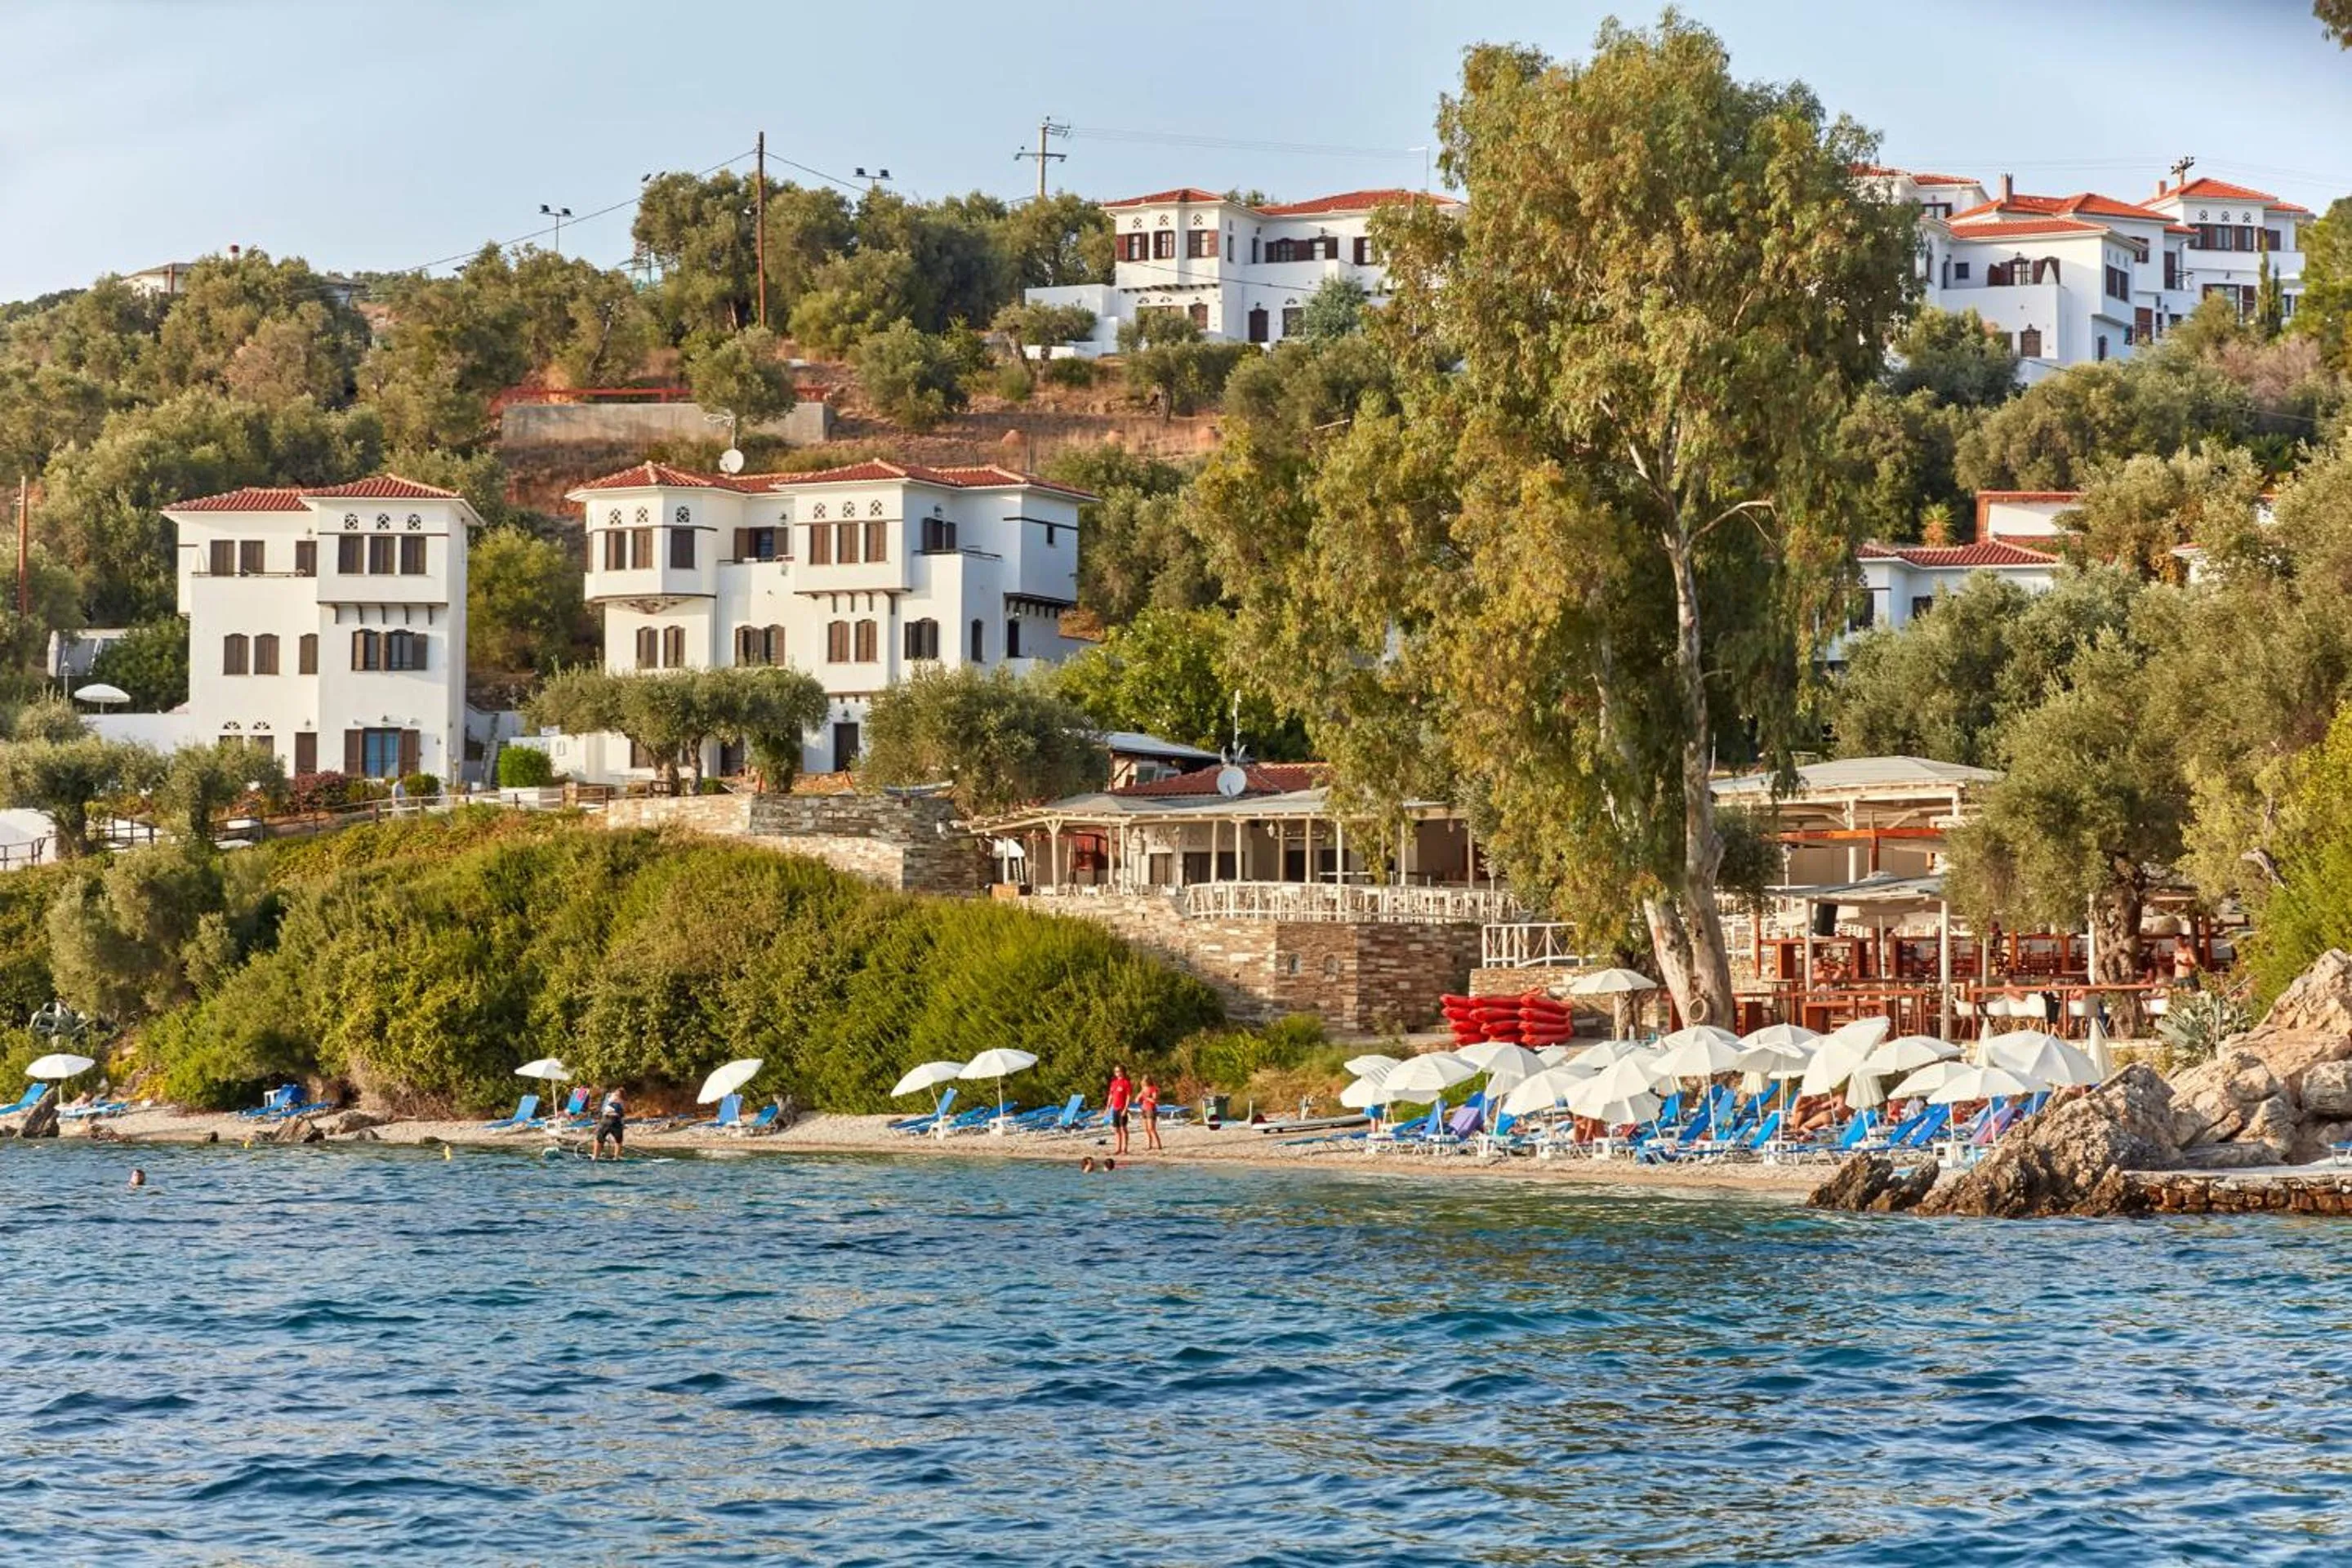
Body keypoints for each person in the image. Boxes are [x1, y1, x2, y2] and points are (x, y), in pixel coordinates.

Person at [591, 1087, 626, 1161]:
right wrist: (622, 1124)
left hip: (606, 1120)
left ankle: (595, 1157)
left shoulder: (610, 1098)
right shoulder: (623, 1102)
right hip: (616, 1121)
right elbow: (622, 1115)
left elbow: (603, 1111)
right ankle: (616, 1157)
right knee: (618, 1141)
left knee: (599, 1139)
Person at [1106, 1065, 1133, 1156]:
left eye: (1118, 1071)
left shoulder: (1126, 1083)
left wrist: (1126, 1108)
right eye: (1116, 1071)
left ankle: (1124, 1149)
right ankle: (1118, 1148)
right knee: (1116, 1129)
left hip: (1122, 1108)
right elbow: (1111, 1095)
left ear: (1123, 1072)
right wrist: (1108, 1107)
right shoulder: (1114, 1083)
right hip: (1115, 1108)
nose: (1117, 1073)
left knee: (1123, 1128)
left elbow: (1128, 1097)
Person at [1138, 1074, 1164, 1152]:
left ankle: (1159, 1145)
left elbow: (1155, 1100)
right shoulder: (1143, 1089)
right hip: (1144, 1109)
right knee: (1146, 1129)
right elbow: (1138, 1099)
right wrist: (1138, 1098)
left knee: (1151, 1128)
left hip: (1151, 1109)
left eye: (1145, 1081)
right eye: (1143, 1081)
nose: (1143, 1082)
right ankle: (1149, 1145)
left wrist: (1147, 1098)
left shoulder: (1153, 1089)